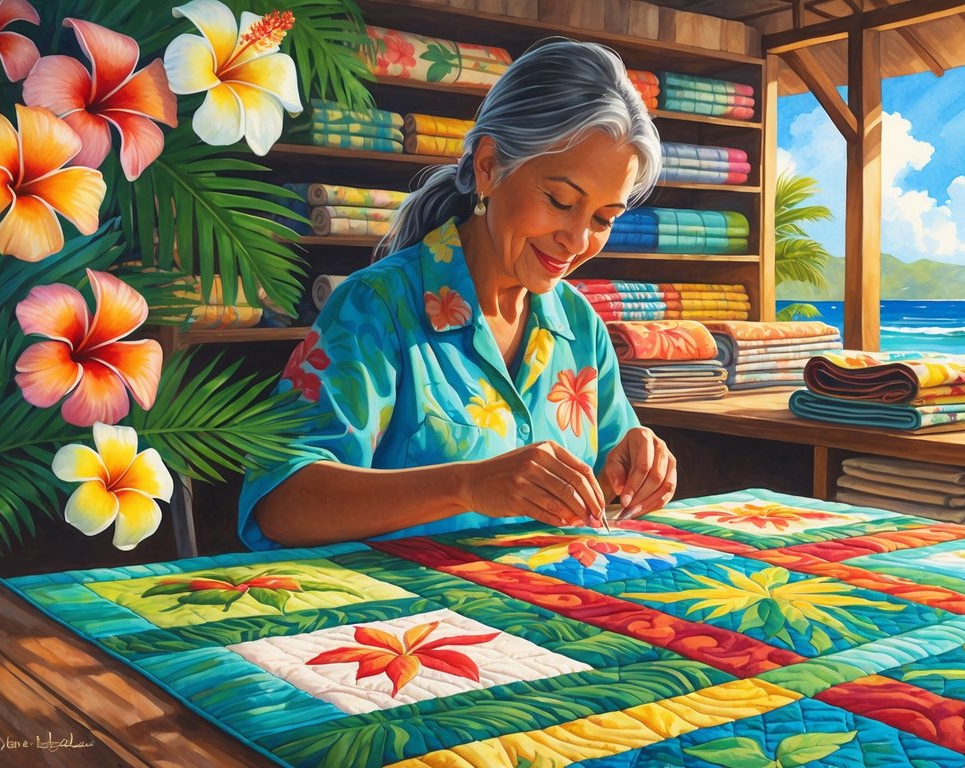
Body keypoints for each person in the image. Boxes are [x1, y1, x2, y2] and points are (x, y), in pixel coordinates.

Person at [238, 39, 677, 549]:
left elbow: (603, 482)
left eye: (603, 219)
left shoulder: (580, 326)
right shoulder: (376, 308)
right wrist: (467, 486)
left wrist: (637, 466)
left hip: (539, 614)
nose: (578, 241)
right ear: (489, 167)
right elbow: (281, 504)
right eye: (560, 201)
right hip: (400, 619)